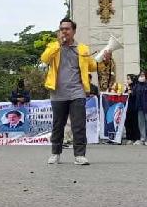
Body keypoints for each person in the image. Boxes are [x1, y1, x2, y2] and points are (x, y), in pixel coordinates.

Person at [41, 17, 102, 165]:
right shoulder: (53, 46)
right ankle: (55, 153)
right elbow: (45, 58)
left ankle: (79, 155)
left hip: (77, 92)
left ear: (73, 31)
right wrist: (58, 44)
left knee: (78, 125)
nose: (64, 31)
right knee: (58, 125)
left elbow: (92, 66)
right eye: (62, 29)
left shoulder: (82, 49)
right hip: (58, 93)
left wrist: (103, 60)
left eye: (67, 29)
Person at [123, 74, 140, 144]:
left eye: (129, 79)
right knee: (127, 122)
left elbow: (133, 94)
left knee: (135, 123)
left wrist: (128, 88)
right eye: (127, 79)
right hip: (128, 107)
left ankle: (136, 138)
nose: (127, 80)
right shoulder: (128, 87)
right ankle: (129, 138)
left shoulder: (136, 86)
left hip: (134, 107)